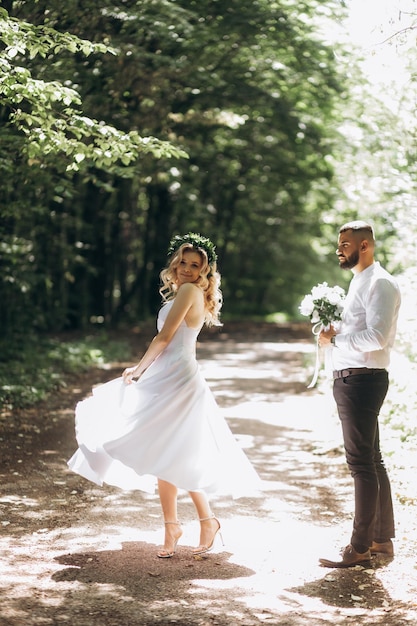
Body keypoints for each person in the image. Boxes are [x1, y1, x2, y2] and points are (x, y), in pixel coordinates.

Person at [68, 232, 261, 558]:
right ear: (176, 263)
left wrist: (138, 369)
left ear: (204, 270)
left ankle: (202, 521)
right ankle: (178, 525)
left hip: (177, 379)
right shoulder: (186, 292)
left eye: (194, 265)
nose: (186, 269)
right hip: (170, 374)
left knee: (174, 452)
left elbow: (165, 337)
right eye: (183, 262)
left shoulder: (188, 291)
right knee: (166, 451)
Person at [318, 220, 401, 568]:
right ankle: (381, 541)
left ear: (364, 245)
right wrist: (337, 330)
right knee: (372, 460)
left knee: (360, 465)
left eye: (345, 244)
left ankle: (359, 546)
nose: (339, 249)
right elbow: (360, 329)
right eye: (339, 244)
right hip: (355, 379)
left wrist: (336, 340)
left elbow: (377, 337)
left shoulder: (380, 283)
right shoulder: (360, 281)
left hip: (361, 381)